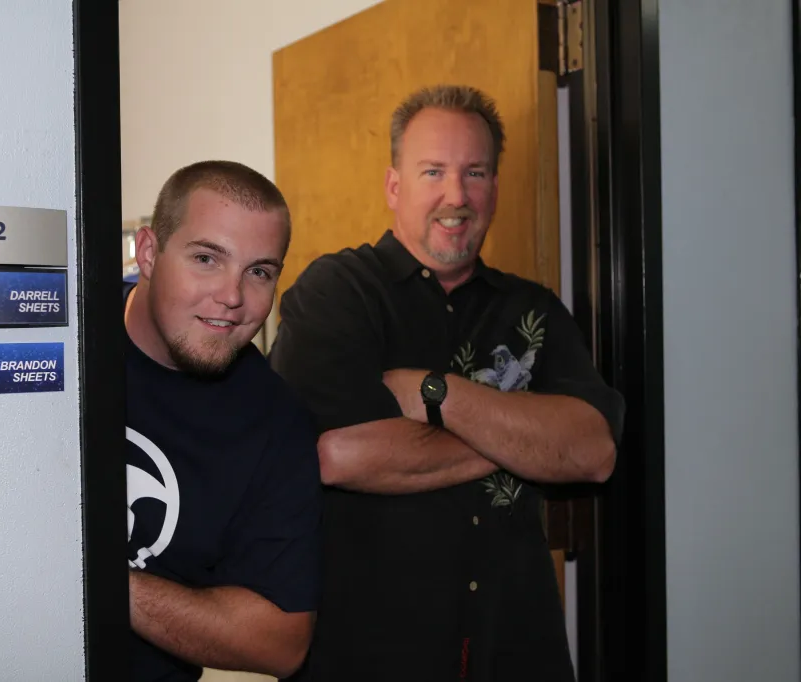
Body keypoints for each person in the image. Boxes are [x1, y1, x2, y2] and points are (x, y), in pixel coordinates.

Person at [268, 85, 625, 682]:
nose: (456, 195)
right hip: (367, 654)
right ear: (394, 186)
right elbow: (339, 455)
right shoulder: (338, 293)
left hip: (517, 647)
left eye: (476, 173)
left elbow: (593, 452)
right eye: (433, 170)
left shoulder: (533, 309)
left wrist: (436, 393)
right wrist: (525, 436)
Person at [124, 160, 322, 682]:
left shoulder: (276, 422)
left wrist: (97, 577)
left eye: (259, 271)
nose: (233, 296)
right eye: (207, 258)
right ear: (148, 252)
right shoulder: (53, 349)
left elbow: (279, 643)